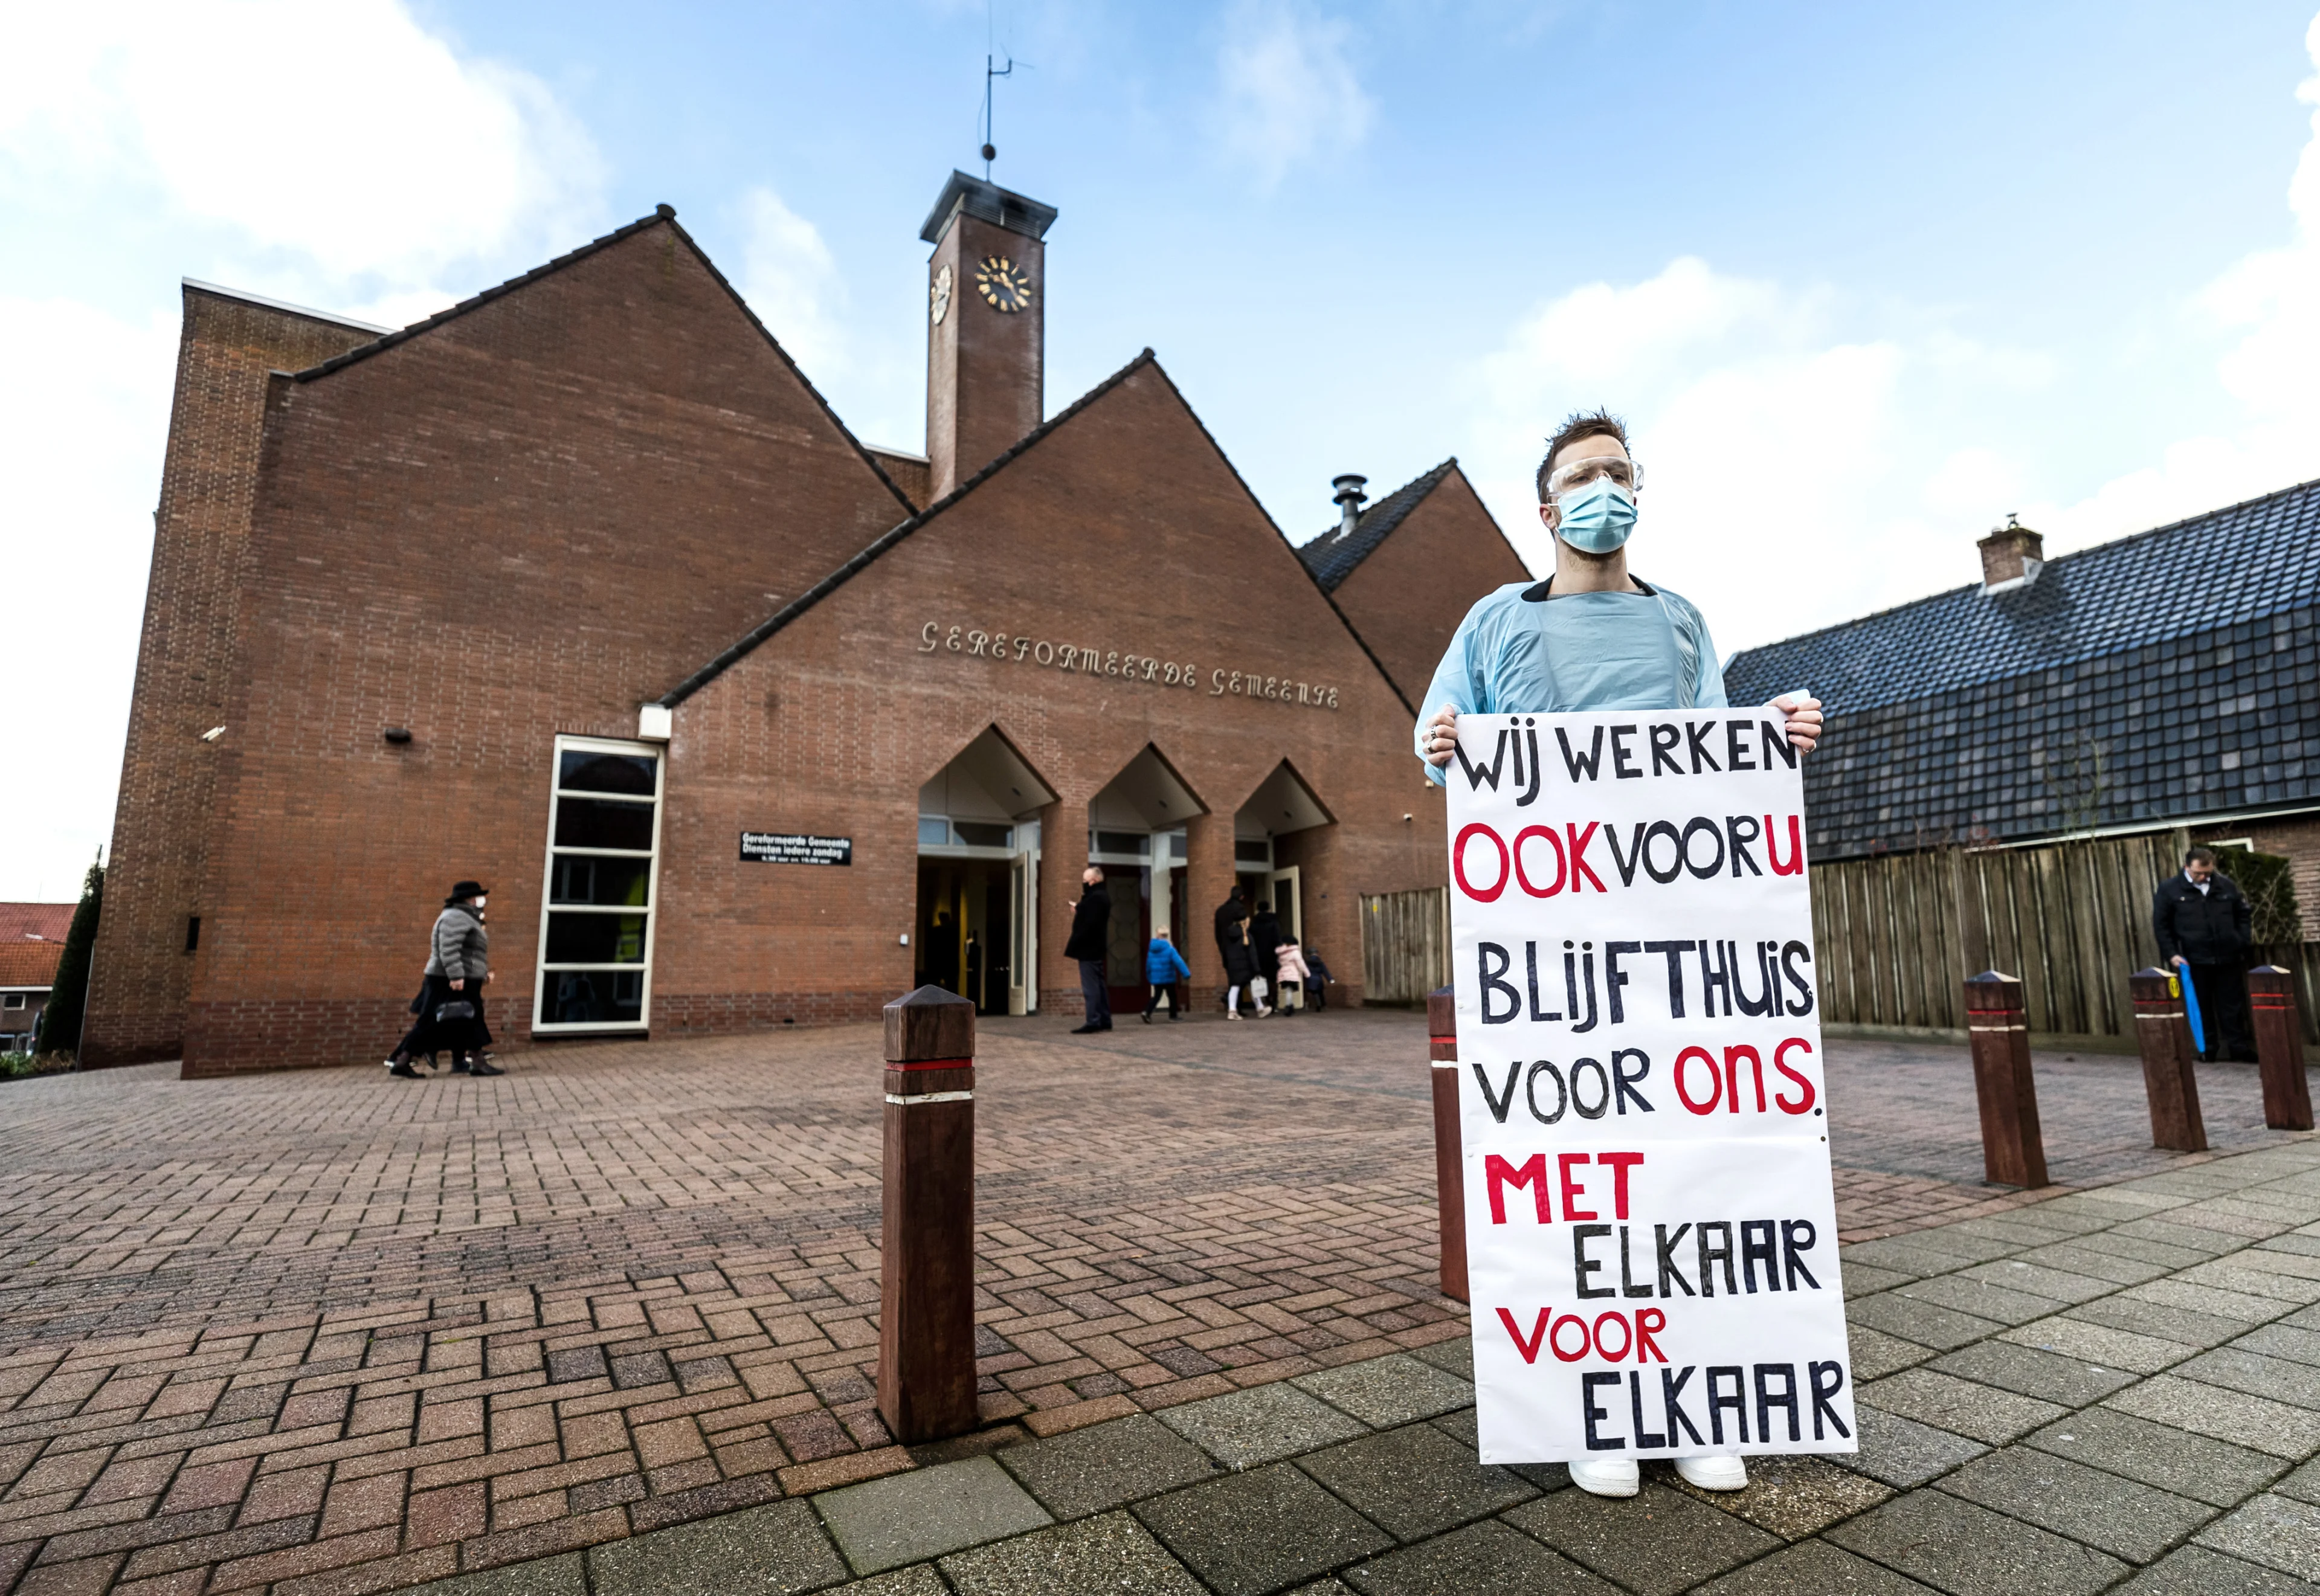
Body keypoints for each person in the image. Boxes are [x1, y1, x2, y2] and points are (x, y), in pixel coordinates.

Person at [1417, 410, 1823, 1500]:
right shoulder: (1495, 622)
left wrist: (1771, 732)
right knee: (1576, 1173)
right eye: (1583, 475)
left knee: (1684, 1160)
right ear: (1548, 509)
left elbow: (1712, 752)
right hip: (1551, 955)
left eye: (1621, 472)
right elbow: (1438, 735)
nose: (1606, 488)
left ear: (1639, 493)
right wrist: (1445, 744)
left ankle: (1691, 1398)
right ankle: (1596, 1399)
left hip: (1672, 943)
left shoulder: (1681, 624)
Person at [387, 881, 503, 1078]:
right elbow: (449, 948)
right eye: (478, 897)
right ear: (468, 899)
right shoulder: (457, 917)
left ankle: (476, 1061)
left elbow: (470, 954)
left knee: (469, 1019)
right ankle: (402, 1060)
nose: (482, 901)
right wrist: (456, 976)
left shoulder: (464, 917)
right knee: (432, 1020)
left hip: (461, 978)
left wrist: (480, 975)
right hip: (449, 980)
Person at [2153, 847, 2256, 1062]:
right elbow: (2161, 925)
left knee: (2232, 1005)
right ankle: (2208, 1049)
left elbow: (2243, 914)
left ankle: (2238, 1048)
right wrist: (2171, 954)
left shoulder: (2225, 885)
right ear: (2187, 868)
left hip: (2228, 956)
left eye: (2208, 872)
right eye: (2198, 873)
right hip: (2193, 959)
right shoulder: (2170, 889)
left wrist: (2241, 940)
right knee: (2201, 1006)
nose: (2203, 877)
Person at [1065, 866, 1113, 1034]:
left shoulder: (1095, 898)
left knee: (1091, 986)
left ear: (1093, 881)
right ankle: (1104, 1019)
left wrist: (1080, 911)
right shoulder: (1101, 897)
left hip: (1089, 949)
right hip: (1096, 948)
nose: (1083, 884)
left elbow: (1089, 923)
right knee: (1099, 985)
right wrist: (1080, 908)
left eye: (1085, 881)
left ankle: (1093, 1020)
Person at [1220, 915, 1267, 1019]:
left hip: (1233, 966)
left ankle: (1232, 1010)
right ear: (1245, 923)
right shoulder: (1247, 936)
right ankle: (1260, 1008)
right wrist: (1257, 969)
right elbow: (1252, 954)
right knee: (1253, 986)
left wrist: (1226, 964)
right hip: (1246, 967)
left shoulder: (1227, 936)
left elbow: (1224, 951)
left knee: (1235, 987)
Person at [1144, 927, 1191, 1022]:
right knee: (1172, 997)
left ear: (1158, 935)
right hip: (1169, 977)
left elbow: (1148, 965)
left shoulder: (1152, 950)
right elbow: (1179, 962)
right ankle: (1173, 1016)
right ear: (1167, 936)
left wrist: (1149, 976)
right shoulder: (1170, 949)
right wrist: (1186, 974)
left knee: (1157, 996)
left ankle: (1147, 1012)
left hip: (1157, 978)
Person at [1274, 938, 1312, 1015]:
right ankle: (1288, 1006)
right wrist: (1307, 973)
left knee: (1288, 990)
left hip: (1283, 972)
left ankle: (1290, 1006)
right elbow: (1300, 964)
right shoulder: (1295, 952)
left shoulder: (1281, 953)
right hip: (1292, 972)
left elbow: (1279, 962)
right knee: (1290, 990)